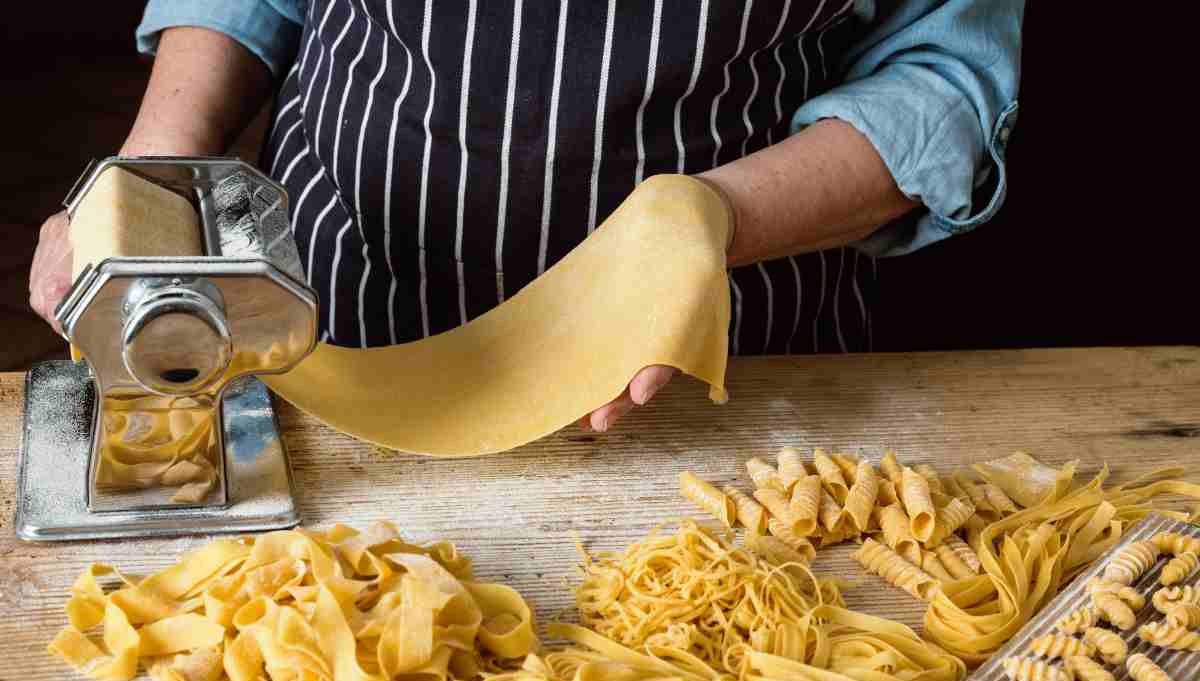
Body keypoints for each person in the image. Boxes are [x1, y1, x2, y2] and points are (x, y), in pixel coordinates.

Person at [29, 0, 1022, 432]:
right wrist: (152, 188)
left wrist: (710, 218)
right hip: (335, 323)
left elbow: (944, 80)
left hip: (721, 376)